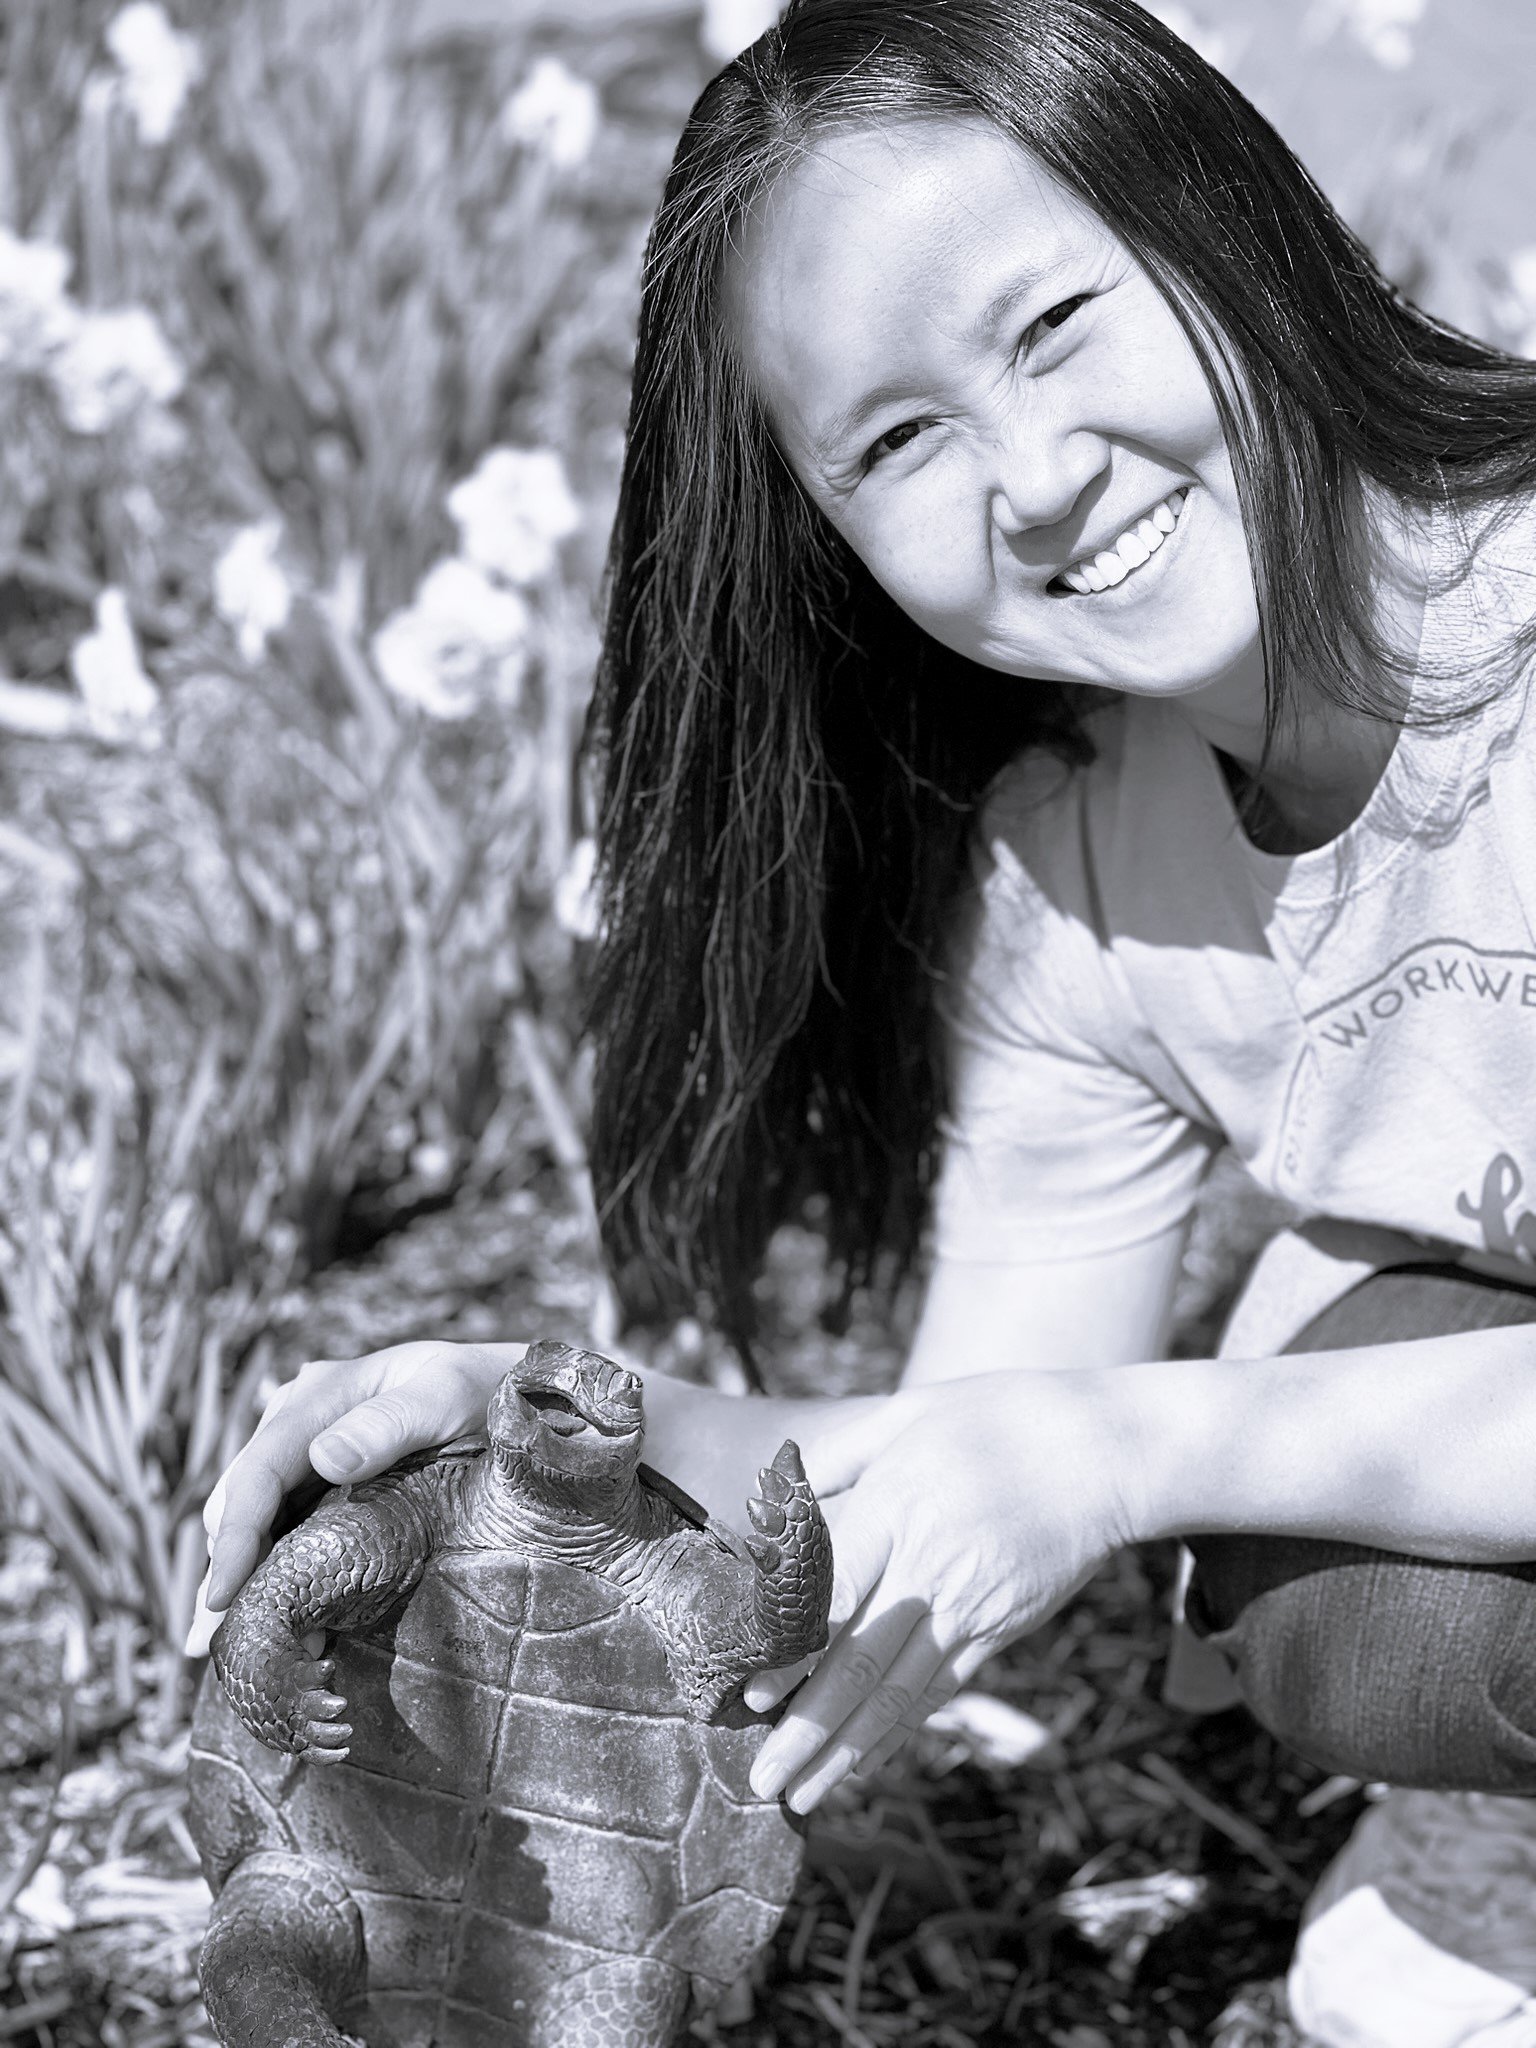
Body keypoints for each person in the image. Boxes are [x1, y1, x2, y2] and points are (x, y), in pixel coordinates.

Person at [189, 2, 1536, 2040]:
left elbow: (1079, 1441)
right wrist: (543, 1431)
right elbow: (954, 1441)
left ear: (1227, 224)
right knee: (1358, 1611)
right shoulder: (1081, 868)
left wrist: (1124, 1445)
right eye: (898, 441)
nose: (1036, 476)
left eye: (1056, 323)